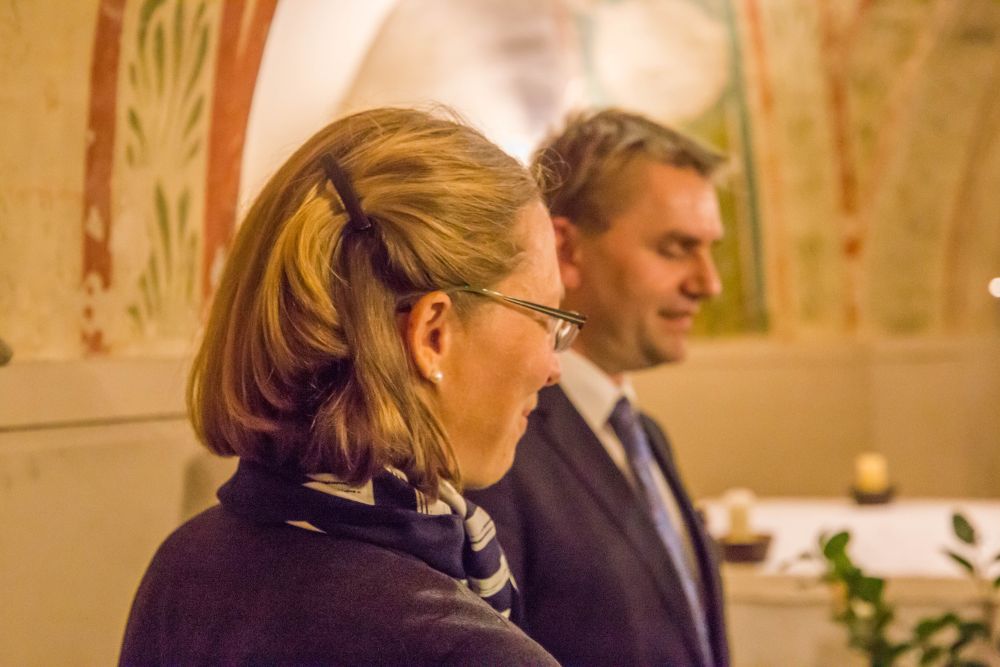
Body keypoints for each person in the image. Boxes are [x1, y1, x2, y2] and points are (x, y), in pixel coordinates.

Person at [119, 107, 584, 666]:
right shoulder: (465, 650)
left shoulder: (186, 567)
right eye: (547, 318)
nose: (555, 367)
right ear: (433, 335)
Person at [467, 108, 730, 667]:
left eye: (711, 249)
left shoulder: (644, 434)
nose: (709, 284)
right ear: (567, 249)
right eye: (675, 248)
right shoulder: (501, 441)